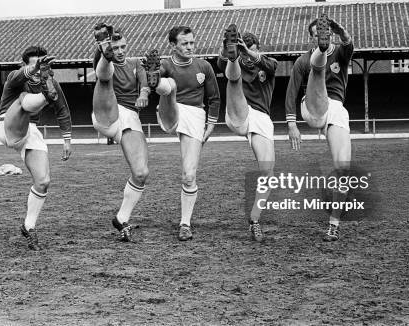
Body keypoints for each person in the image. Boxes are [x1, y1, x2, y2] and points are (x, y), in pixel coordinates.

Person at [143, 26, 220, 241]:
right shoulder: (166, 64)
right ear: (173, 46)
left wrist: (211, 125)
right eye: (184, 43)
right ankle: (155, 80)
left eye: (192, 43)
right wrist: (148, 84)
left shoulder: (204, 66)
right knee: (169, 85)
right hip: (172, 108)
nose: (189, 47)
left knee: (189, 175)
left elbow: (214, 98)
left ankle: (185, 224)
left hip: (195, 115)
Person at [0, 46, 72, 250]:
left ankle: (28, 226)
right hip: (7, 124)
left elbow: (62, 109)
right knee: (24, 99)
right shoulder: (16, 77)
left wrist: (66, 139)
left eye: (42, 66)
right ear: (26, 65)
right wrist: (33, 70)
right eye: (34, 66)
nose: (38, 71)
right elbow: (19, 76)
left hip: (31, 132)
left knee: (43, 181)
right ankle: (45, 96)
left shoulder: (51, 81)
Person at [285, 14, 353, 242]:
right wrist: (292, 124)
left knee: (343, 169)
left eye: (324, 35)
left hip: (336, 109)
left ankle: (333, 226)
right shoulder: (302, 61)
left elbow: (348, 43)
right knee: (317, 68)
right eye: (316, 36)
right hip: (312, 105)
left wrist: (341, 30)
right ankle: (320, 58)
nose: (320, 37)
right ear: (312, 39)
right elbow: (292, 92)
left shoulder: (342, 54)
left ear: (331, 34)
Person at [217, 24, 277, 242]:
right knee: (233, 77)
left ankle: (255, 220)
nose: (248, 57)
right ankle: (233, 59)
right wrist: (231, 51)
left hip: (261, 119)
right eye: (243, 50)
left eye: (249, 50)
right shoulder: (237, 61)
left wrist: (248, 51)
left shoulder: (267, 63)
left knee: (268, 173)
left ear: (257, 49)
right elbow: (219, 62)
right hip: (239, 111)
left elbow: (269, 65)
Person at [90, 23, 150, 242]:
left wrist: (143, 95)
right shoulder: (104, 61)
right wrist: (105, 56)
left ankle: (121, 218)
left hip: (129, 118)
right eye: (115, 48)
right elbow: (100, 71)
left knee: (141, 173)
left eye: (122, 46)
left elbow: (145, 85)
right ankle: (103, 53)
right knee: (105, 75)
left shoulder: (136, 64)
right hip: (107, 110)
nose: (121, 51)